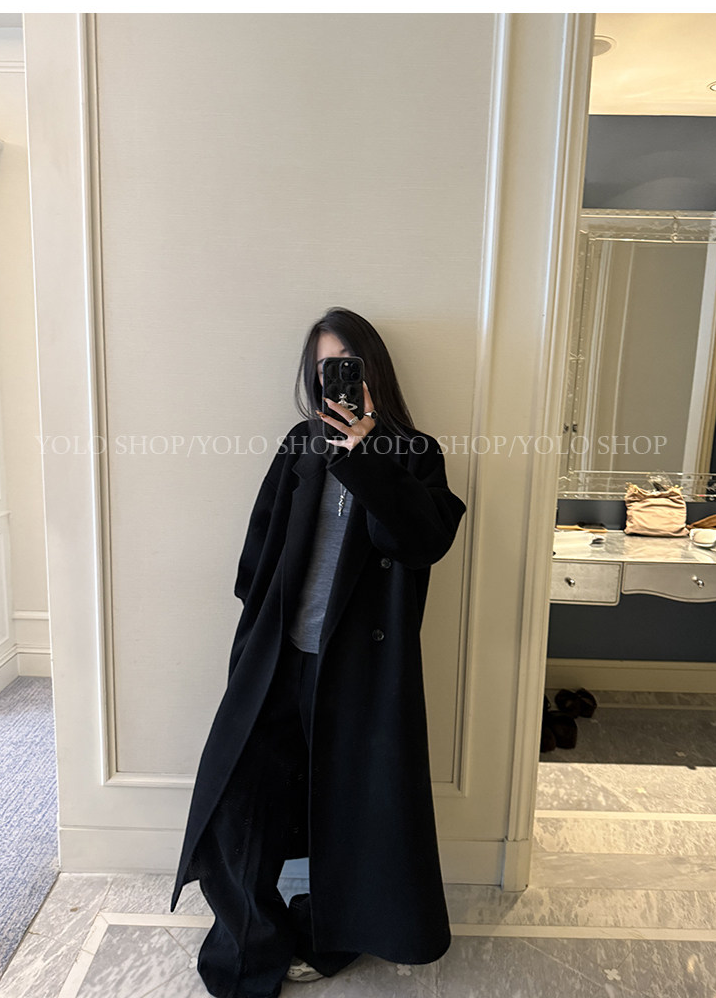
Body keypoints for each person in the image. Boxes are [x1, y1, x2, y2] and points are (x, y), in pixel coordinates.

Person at [170, 307, 466, 998]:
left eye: (345, 366)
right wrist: (254, 633)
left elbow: (422, 543)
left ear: (371, 371)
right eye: (324, 369)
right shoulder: (300, 445)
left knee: (349, 814)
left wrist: (365, 456)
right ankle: (247, 954)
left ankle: (329, 943)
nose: (335, 380)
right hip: (278, 659)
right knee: (236, 805)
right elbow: (259, 547)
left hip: (359, 672)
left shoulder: (413, 453)